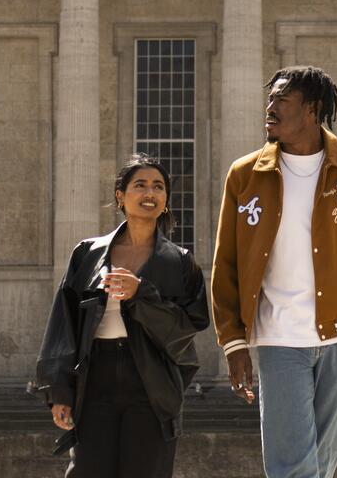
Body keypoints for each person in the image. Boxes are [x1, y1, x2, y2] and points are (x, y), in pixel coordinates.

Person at [210, 65, 337, 478]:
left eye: (281, 100)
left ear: (312, 110)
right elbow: (226, 263)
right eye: (270, 99)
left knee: (321, 464)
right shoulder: (245, 175)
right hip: (278, 337)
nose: (270, 107)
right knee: (292, 467)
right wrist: (232, 343)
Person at [32, 154, 210, 478]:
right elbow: (64, 322)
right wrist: (59, 391)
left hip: (151, 385)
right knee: (87, 471)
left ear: (166, 199)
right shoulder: (88, 253)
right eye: (139, 185)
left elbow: (188, 326)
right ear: (120, 196)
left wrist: (140, 294)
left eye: (158, 187)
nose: (149, 193)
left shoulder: (180, 262)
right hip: (95, 379)